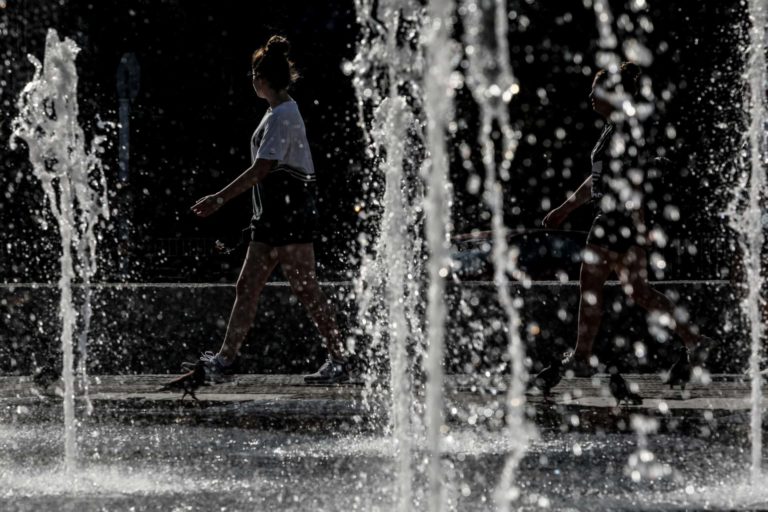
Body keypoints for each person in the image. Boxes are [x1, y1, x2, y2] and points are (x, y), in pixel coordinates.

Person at [536, 62, 710, 388]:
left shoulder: (624, 130)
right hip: (616, 221)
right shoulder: (611, 130)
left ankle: (583, 356)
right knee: (639, 292)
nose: (589, 97)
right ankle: (694, 339)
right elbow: (596, 180)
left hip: (615, 221)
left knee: (592, 286)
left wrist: (638, 224)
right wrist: (565, 209)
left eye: (595, 91)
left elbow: (636, 180)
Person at [189, 35, 348, 384]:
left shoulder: (284, 115)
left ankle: (339, 357)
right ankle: (226, 360)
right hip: (273, 217)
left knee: (306, 287)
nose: (251, 81)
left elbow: (263, 168)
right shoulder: (275, 113)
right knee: (247, 285)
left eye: (252, 75)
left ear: (262, 79)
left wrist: (219, 198)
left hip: (288, 216)